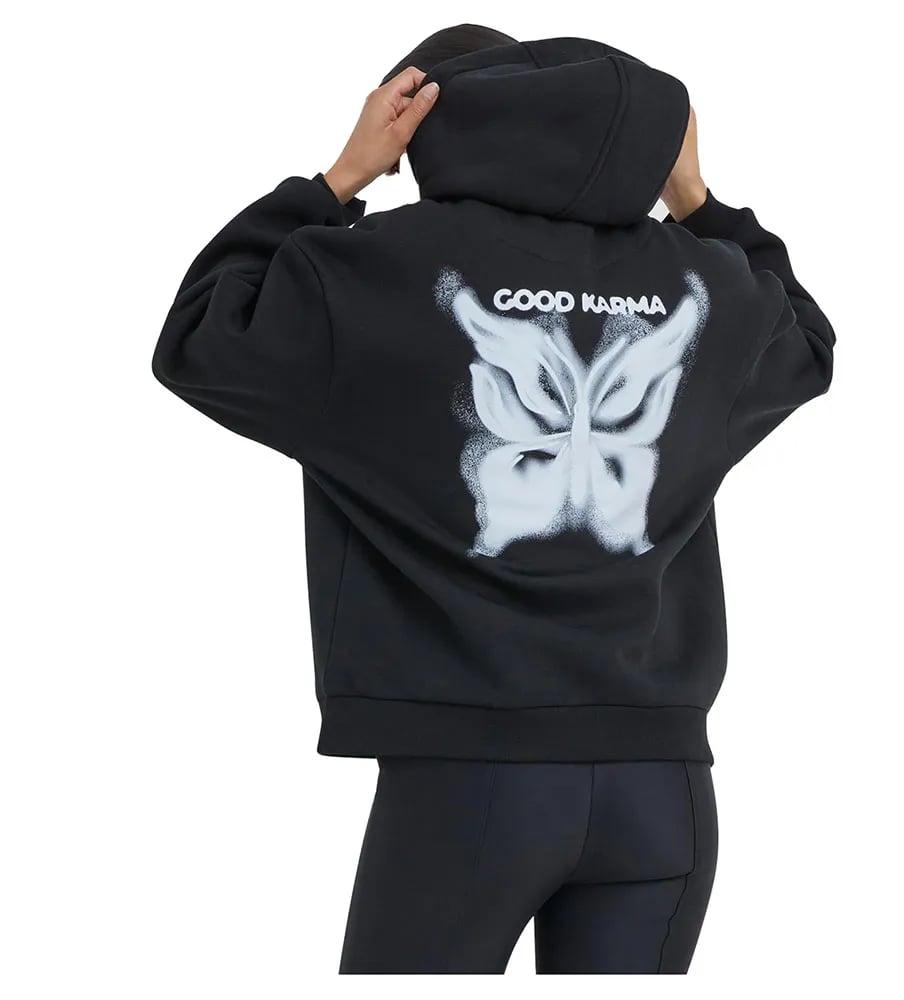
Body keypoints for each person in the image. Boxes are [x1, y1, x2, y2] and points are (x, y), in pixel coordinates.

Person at [151, 24, 835, 975]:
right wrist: (696, 199)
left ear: (422, 124)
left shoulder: (374, 271)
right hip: (663, 787)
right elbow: (807, 342)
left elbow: (200, 335)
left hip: (468, 784)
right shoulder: (704, 282)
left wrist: (338, 179)